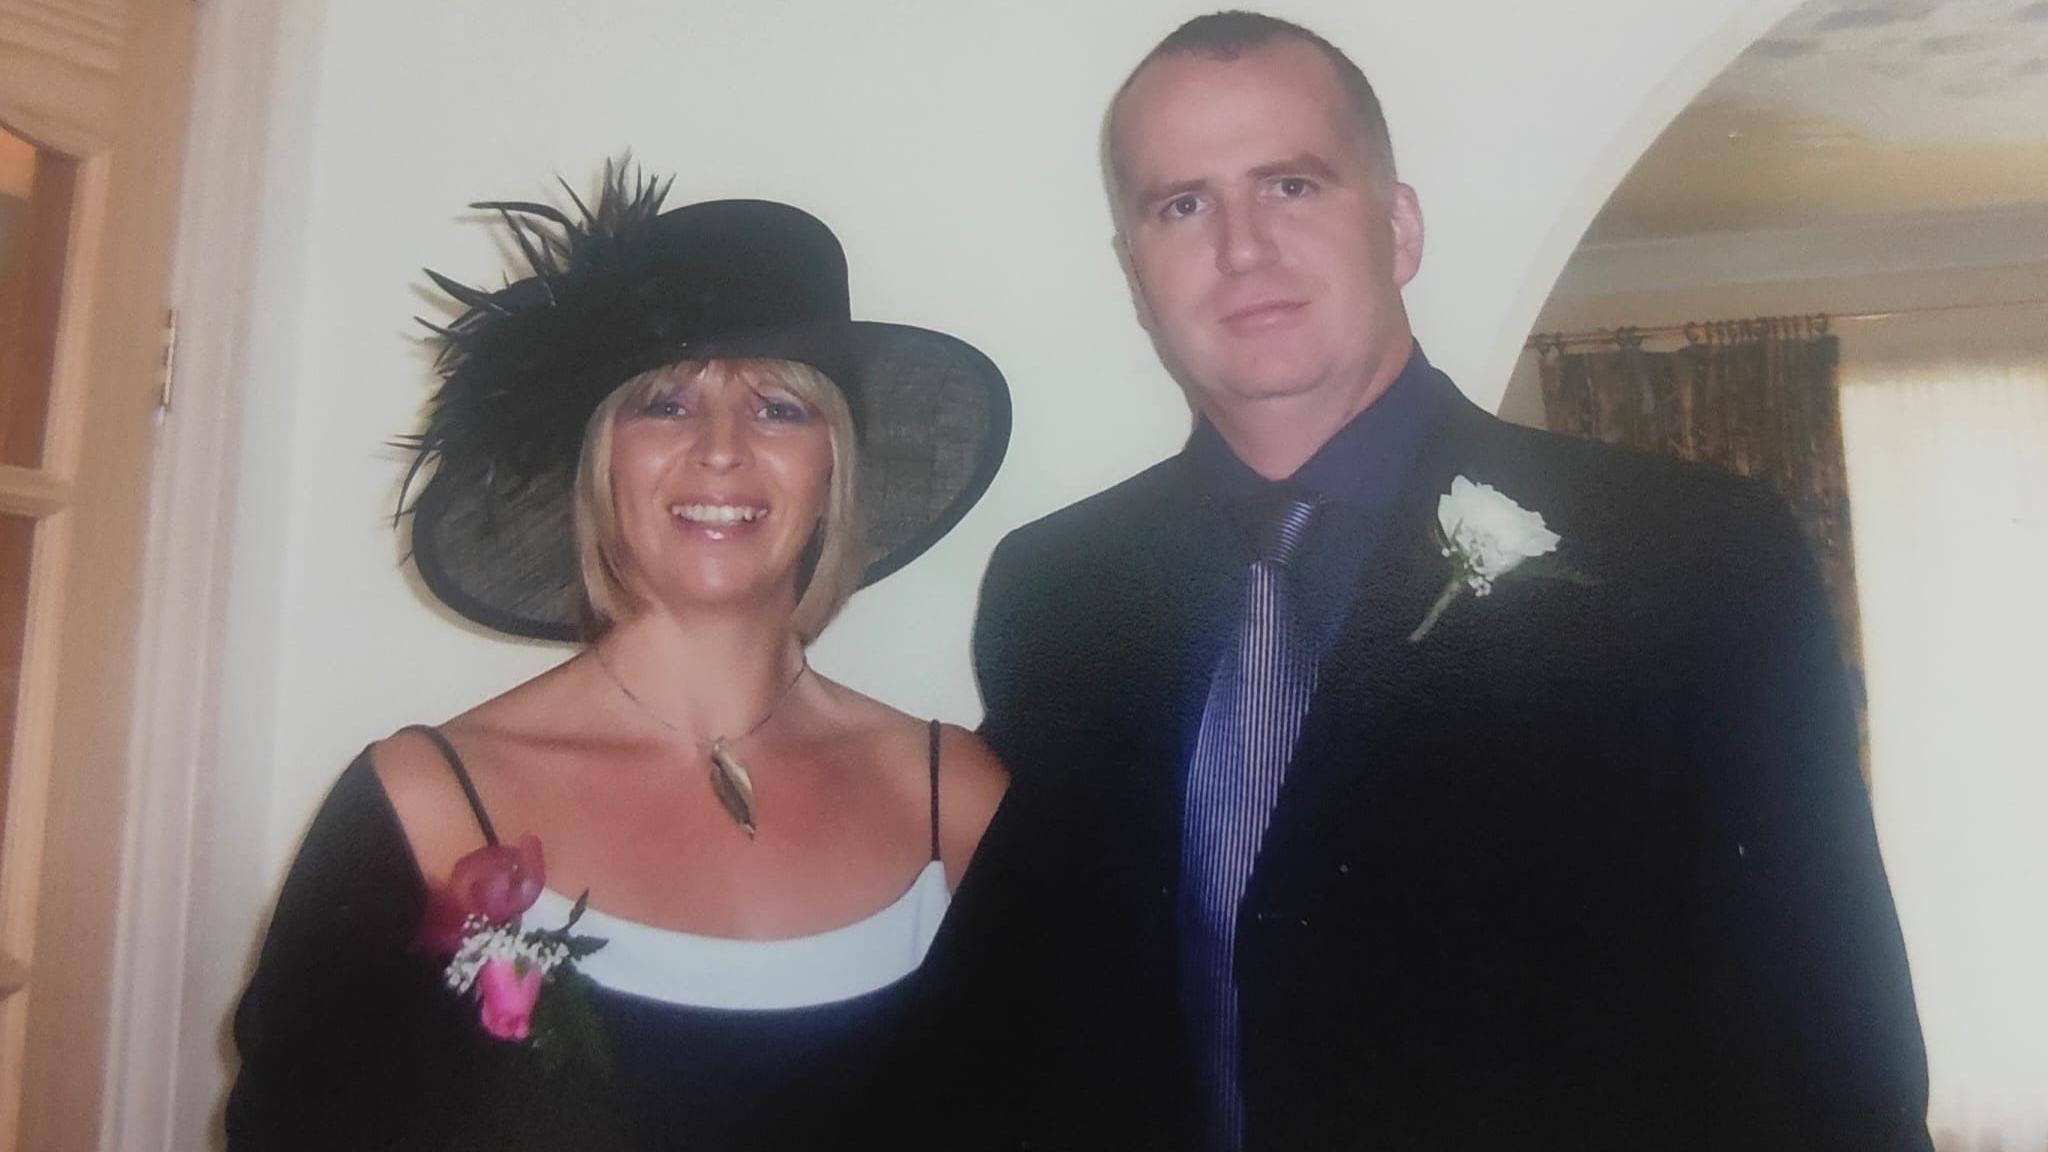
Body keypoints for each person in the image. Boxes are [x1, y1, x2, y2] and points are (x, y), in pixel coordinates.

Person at [930, 12, 1932, 1151]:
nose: (1240, 247)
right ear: (1133, 274)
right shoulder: (1055, 590)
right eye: (1181, 204)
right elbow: (1046, 1018)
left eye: (1292, 186)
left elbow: (1831, 1053)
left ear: (1397, 228)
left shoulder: (1690, 557)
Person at [225, 165, 1011, 1151]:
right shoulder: (426, 808)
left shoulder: (954, 801)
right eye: (665, 405)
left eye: (779, 408)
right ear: (602, 460)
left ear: (833, 465)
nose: (720, 449)